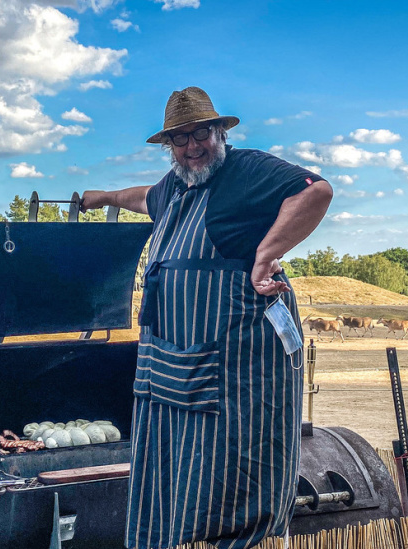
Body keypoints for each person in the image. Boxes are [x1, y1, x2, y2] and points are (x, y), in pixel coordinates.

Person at [81, 86, 332, 549]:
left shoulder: (245, 169)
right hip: (174, 362)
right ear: (169, 145)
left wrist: (266, 254)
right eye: (180, 138)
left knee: (227, 469)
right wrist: (104, 197)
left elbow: (315, 191)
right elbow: (141, 197)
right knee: (173, 465)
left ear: (220, 132)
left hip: (234, 365)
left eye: (201, 134)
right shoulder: (174, 185)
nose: (192, 146)